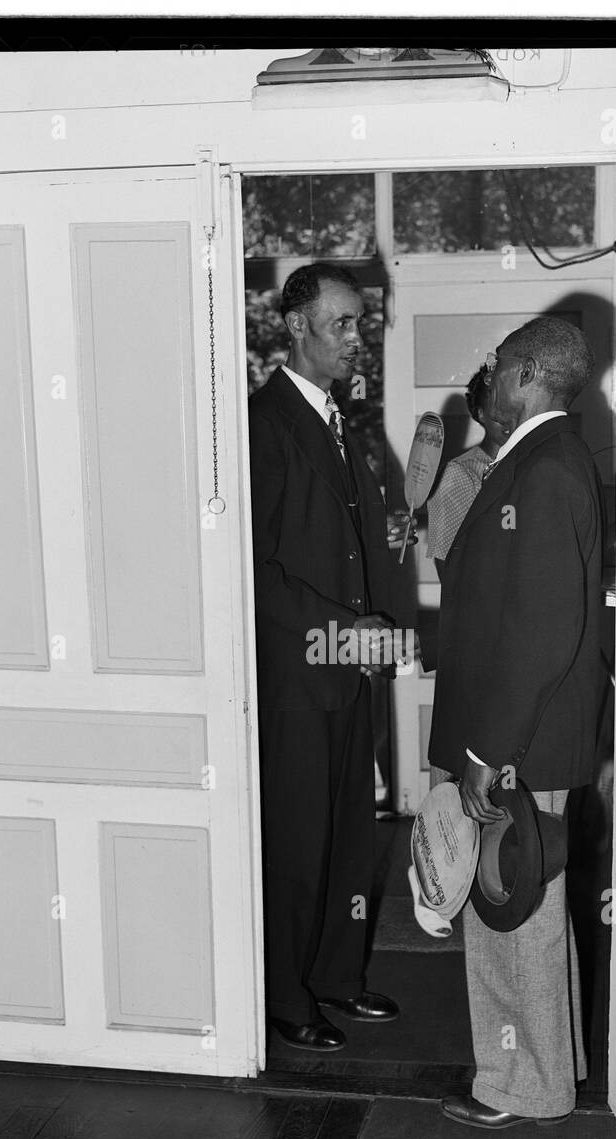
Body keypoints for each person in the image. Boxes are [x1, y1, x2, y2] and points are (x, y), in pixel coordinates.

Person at [423, 315, 605, 1127]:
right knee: (523, 915)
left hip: (513, 746)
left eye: (497, 364)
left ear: (527, 373)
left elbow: (541, 632)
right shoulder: (536, 458)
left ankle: (523, 1087)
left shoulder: (547, 468)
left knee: (512, 919)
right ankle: (541, 1072)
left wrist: (486, 753)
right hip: (517, 740)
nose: (487, 374)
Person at [248, 261, 404, 1053]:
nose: (357, 339)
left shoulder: (342, 424)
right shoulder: (262, 423)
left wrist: (385, 637)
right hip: (296, 680)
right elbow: (256, 569)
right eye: (342, 323)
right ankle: (284, 995)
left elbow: (356, 550)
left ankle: (338, 976)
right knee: (297, 844)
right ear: (296, 326)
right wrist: (348, 631)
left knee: (352, 836)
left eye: (360, 323)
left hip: (348, 674)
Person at [425, 367, 511, 568]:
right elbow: (447, 563)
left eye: (513, 407)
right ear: (481, 414)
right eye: (497, 409)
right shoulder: (458, 474)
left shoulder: (532, 464)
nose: (508, 418)